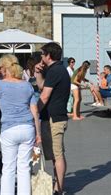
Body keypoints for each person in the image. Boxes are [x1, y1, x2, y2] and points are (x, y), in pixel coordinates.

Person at [0, 54, 41, 195]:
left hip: (9, 128)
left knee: (8, 168)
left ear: (3, 68)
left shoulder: (0, 85)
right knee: (24, 168)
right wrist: (38, 133)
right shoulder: (27, 85)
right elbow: (35, 110)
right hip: (27, 127)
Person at [34, 42, 70, 194]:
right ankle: (58, 185)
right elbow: (43, 86)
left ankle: (58, 189)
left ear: (49, 55)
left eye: (42, 54)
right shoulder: (56, 70)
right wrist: (37, 72)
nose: (41, 57)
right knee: (55, 155)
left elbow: (44, 95)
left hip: (55, 117)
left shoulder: (56, 70)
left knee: (57, 154)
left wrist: (33, 112)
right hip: (54, 117)